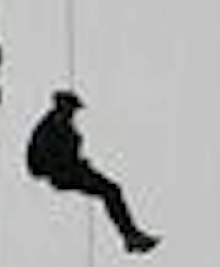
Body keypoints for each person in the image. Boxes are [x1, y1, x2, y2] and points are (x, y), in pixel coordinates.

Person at [26, 90, 159, 254]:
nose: (74, 113)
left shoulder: (57, 124)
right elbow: (40, 162)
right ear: (63, 106)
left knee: (112, 191)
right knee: (111, 191)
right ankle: (130, 236)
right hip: (65, 174)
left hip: (70, 172)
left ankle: (130, 235)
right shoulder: (52, 126)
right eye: (72, 109)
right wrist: (66, 166)